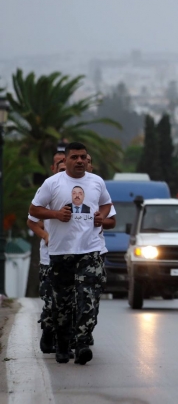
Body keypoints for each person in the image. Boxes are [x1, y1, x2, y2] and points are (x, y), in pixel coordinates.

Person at [29, 142, 112, 365]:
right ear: (65, 160)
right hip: (61, 252)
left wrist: (102, 216)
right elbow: (34, 210)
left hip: (90, 251)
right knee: (62, 302)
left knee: (88, 298)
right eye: (74, 157)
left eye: (83, 157)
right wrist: (56, 214)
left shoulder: (96, 181)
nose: (80, 161)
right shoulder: (52, 183)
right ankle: (63, 345)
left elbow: (106, 204)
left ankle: (82, 343)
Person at [27, 150, 66, 354]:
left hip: (73, 256)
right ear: (53, 168)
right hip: (49, 258)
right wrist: (45, 235)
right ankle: (49, 332)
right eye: (59, 164)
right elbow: (32, 220)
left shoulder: (81, 188)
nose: (63, 167)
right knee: (52, 301)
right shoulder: (47, 188)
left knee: (70, 301)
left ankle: (69, 340)